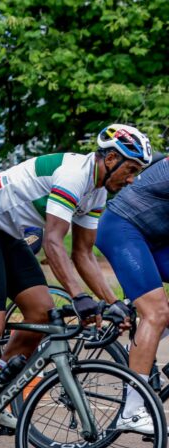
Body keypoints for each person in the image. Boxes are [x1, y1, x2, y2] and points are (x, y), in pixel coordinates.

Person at [0, 123, 150, 432]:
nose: (132, 179)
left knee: (41, 313)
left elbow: (82, 253)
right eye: (130, 169)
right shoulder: (75, 174)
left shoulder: (98, 192)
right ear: (109, 159)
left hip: (5, 233)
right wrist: (79, 297)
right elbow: (53, 242)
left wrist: (112, 301)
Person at [95, 151, 169, 432]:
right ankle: (132, 411)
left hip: (154, 236)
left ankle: (139, 348)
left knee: (158, 318)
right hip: (123, 229)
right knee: (156, 311)